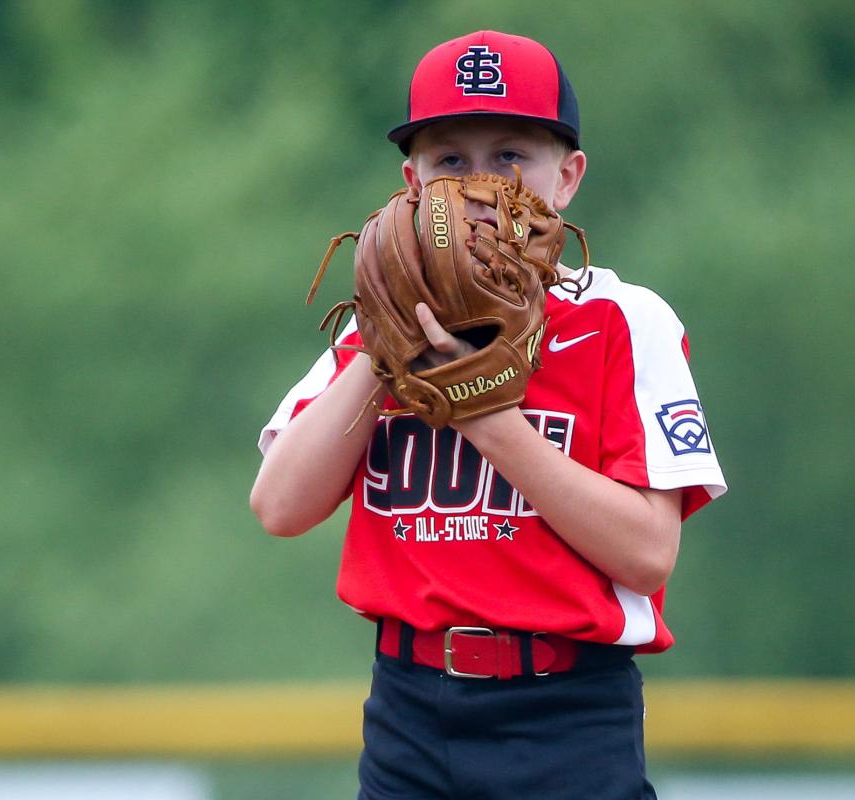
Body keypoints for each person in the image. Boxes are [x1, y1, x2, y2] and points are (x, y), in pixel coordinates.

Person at [251, 30, 727, 800]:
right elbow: (279, 506)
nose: (478, 186)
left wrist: (489, 420)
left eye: (510, 156)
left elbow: (648, 554)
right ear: (411, 182)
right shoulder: (376, 329)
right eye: (450, 160)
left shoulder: (620, 319)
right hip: (408, 711)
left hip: (568, 714)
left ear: (566, 178)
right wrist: (385, 345)